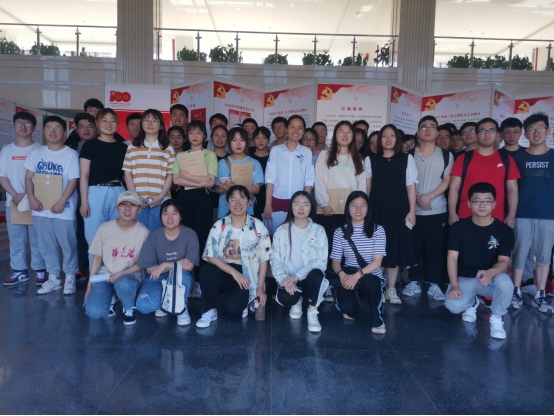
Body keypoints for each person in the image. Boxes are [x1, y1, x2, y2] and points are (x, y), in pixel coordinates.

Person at [445, 182, 514, 340]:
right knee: (453, 305)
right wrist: (454, 285)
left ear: (494, 204)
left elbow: (504, 261)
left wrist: (491, 273)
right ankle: (472, 303)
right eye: (477, 201)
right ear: (469, 204)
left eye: (487, 201)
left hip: (491, 281)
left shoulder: (504, 231)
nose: (482, 205)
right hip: (466, 278)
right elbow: (452, 258)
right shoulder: (458, 228)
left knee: (505, 285)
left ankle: (496, 317)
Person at [196, 185, 271, 328]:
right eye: (233, 200)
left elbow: (264, 259)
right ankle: (211, 310)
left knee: (233, 308)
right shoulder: (219, 226)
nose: (238, 204)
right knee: (207, 271)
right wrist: (234, 273)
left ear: (249, 202)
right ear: (227, 203)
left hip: (246, 276)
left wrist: (260, 287)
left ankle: (231, 301)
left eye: (242, 199)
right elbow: (211, 256)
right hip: (224, 270)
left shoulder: (258, 226)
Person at [24, 115, 80, 295]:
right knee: (45, 244)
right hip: (40, 208)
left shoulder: (71, 154)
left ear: (64, 132)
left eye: (57, 128)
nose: (53, 131)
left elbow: (73, 180)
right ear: (44, 131)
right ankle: (53, 277)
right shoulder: (37, 153)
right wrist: (31, 198)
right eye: (49, 127)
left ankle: (70, 276)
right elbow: (28, 177)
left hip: (64, 209)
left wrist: (62, 202)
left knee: (68, 244)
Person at [402, 116, 453, 301]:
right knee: (413, 247)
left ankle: (434, 284)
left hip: (437, 210)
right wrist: (418, 198)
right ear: (417, 132)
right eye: (424, 127)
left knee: (435, 249)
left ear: (437, 132)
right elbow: (405, 182)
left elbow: (447, 180)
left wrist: (428, 197)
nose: (428, 130)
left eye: (432, 127)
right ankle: (414, 281)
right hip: (413, 211)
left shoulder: (446, 155)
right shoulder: (408, 155)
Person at [367, 124, 417, 305]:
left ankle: (391, 288)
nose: (388, 139)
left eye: (392, 135)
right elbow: (368, 188)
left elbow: (410, 186)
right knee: (378, 249)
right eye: (384, 135)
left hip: (399, 209)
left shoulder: (406, 159)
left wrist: (412, 211)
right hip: (377, 209)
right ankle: (379, 287)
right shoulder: (370, 160)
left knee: (395, 249)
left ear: (398, 139)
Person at [84, 190, 150, 326]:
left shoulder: (144, 232)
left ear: (139, 210)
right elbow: (97, 258)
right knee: (93, 312)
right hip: (106, 278)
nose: (127, 208)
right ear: (117, 208)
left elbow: (141, 264)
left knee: (124, 284)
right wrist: (89, 286)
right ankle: (112, 298)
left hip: (130, 278)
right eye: (123, 204)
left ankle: (128, 306)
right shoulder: (104, 228)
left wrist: (119, 274)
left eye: (132, 205)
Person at [510, 112, 554, 313]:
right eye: (531, 130)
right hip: (522, 213)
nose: (536, 133)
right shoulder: (518, 157)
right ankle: (516, 291)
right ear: (525, 134)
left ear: (548, 131)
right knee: (519, 255)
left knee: (544, 257)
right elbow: (512, 189)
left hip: (549, 215)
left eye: (540, 129)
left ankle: (540, 294)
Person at [271, 191, 329, 332]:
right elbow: (275, 260)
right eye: (297, 204)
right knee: (285, 298)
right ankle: (296, 301)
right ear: (291, 207)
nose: (301, 208)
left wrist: (297, 276)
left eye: (306, 205)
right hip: (289, 280)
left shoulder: (318, 230)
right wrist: (285, 279)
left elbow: (321, 262)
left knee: (317, 274)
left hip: (309, 279)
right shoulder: (281, 230)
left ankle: (312, 311)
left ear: (311, 207)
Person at [172, 120, 218, 299]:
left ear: (204, 136)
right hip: (184, 198)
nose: (195, 136)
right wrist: (200, 181)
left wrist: (188, 175)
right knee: (183, 237)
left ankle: (199, 280)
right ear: (187, 136)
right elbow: (176, 180)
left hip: (203, 200)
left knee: (202, 238)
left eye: (199, 132)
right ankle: (185, 278)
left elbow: (211, 181)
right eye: (191, 132)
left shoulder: (210, 155)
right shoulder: (181, 155)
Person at [330, 191, 387, 333]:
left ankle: (377, 320)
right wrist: (342, 275)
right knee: (348, 310)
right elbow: (335, 261)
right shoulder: (340, 231)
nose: (358, 209)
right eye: (354, 205)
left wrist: (358, 275)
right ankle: (354, 301)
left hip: (370, 274)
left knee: (371, 284)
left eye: (363, 205)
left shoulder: (378, 230)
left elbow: (377, 262)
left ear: (368, 208)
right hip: (349, 273)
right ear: (348, 208)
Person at [0, 112, 46, 287]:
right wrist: (14, 194)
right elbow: (2, 176)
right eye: (19, 122)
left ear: (34, 128)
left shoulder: (40, 150)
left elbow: (42, 178)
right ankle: (20, 271)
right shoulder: (6, 150)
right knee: (16, 239)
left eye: (27, 123)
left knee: (37, 238)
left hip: (35, 201)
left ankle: (40, 270)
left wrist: (26, 195)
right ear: (13, 126)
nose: (23, 126)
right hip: (13, 202)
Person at [448, 117, 520, 227]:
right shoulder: (463, 158)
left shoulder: (507, 160)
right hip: (466, 216)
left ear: (497, 134)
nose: (487, 134)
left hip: (496, 217)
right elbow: (454, 187)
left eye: (491, 130)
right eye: (482, 131)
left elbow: (512, 190)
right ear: (477, 135)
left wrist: (511, 216)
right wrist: (452, 213)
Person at [136, 199, 199, 325]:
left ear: (181, 216)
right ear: (160, 217)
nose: (170, 217)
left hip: (181, 277)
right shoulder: (153, 236)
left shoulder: (190, 234)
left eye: (174, 213)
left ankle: (181, 309)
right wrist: (178, 264)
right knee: (144, 305)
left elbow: (189, 266)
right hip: (157, 278)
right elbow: (149, 269)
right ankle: (164, 303)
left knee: (181, 276)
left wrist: (164, 265)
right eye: (165, 213)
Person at [80, 108, 128, 267]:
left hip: (118, 192)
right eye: (105, 120)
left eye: (112, 120)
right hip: (96, 193)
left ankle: (115, 275)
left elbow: (127, 176)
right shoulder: (89, 146)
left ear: (117, 124)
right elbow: (84, 176)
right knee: (94, 237)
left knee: (118, 236)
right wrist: (84, 202)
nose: (109, 124)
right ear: (97, 123)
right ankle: (95, 278)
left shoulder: (123, 148)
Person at [123, 109, 175, 231]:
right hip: (138, 201)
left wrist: (160, 197)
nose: (150, 123)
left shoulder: (168, 149)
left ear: (161, 125)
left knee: (157, 236)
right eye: (146, 120)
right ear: (142, 124)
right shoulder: (132, 147)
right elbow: (127, 173)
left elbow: (170, 175)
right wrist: (136, 197)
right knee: (139, 236)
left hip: (161, 200)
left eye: (154, 120)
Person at [314, 120, 367, 241]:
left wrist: (360, 206)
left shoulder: (358, 159)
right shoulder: (324, 155)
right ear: (335, 134)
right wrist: (324, 203)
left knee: (347, 243)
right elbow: (319, 180)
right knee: (329, 242)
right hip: (328, 209)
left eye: (349, 132)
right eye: (341, 131)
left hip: (351, 210)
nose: (345, 135)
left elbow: (362, 186)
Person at [264, 115, 315, 235]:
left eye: (300, 128)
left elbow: (309, 180)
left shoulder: (306, 152)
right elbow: (270, 179)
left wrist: (305, 203)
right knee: (277, 234)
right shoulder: (276, 150)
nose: (296, 131)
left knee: (298, 234)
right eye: (292, 127)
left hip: (298, 202)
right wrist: (268, 204)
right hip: (277, 199)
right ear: (287, 129)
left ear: (303, 131)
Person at [70, 112, 98, 280]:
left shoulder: (101, 146)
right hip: (72, 197)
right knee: (78, 233)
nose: (86, 130)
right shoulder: (70, 149)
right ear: (76, 129)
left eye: (90, 126)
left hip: (93, 195)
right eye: (82, 126)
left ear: (96, 128)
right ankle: (81, 268)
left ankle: (96, 268)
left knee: (95, 232)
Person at [215, 127, 264, 219]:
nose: (238, 143)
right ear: (229, 143)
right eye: (234, 140)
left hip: (246, 209)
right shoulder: (222, 163)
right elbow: (217, 189)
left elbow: (256, 189)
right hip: (225, 210)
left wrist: (235, 187)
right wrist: (222, 189)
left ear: (246, 142)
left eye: (242, 140)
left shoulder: (255, 163)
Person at [249, 126, 271, 221]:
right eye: (257, 137)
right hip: (253, 197)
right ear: (253, 140)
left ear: (269, 140)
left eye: (264, 138)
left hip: (270, 196)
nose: (260, 141)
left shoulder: (274, 156)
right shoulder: (248, 158)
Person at [210, 125, 230, 220]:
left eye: (223, 135)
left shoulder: (232, 158)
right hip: (209, 200)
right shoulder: (205, 157)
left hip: (227, 202)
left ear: (227, 139)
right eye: (216, 135)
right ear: (211, 138)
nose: (219, 138)